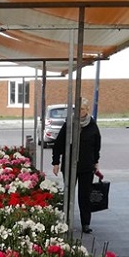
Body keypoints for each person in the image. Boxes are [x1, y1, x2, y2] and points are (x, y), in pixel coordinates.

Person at [52, 98, 101, 234]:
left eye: (82, 109)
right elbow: (58, 145)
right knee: (68, 194)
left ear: (87, 110)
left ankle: (85, 223)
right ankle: (66, 220)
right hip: (69, 165)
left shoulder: (92, 125)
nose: (80, 112)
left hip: (86, 166)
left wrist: (96, 162)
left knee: (84, 196)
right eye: (78, 109)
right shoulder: (69, 124)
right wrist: (56, 162)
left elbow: (96, 146)